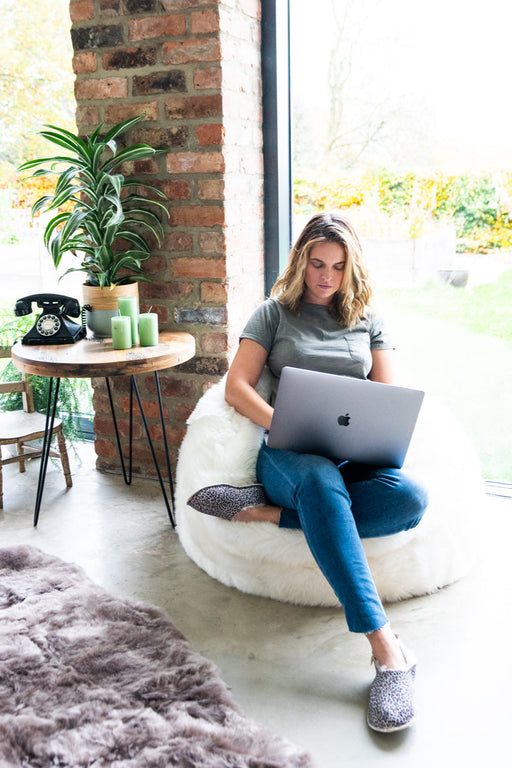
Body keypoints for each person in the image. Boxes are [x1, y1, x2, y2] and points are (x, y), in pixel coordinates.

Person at [187, 212, 429, 733]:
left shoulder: (368, 317)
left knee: (409, 500)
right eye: (317, 263)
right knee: (320, 483)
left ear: (351, 268)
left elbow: (387, 395)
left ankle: (270, 513)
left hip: (350, 454)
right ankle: (388, 651)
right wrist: (286, 423)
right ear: (301, 261)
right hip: (289, 452)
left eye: (338, 267)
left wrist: (374, 429)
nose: (326, 276)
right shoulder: (273, 314)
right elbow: (237, 387)